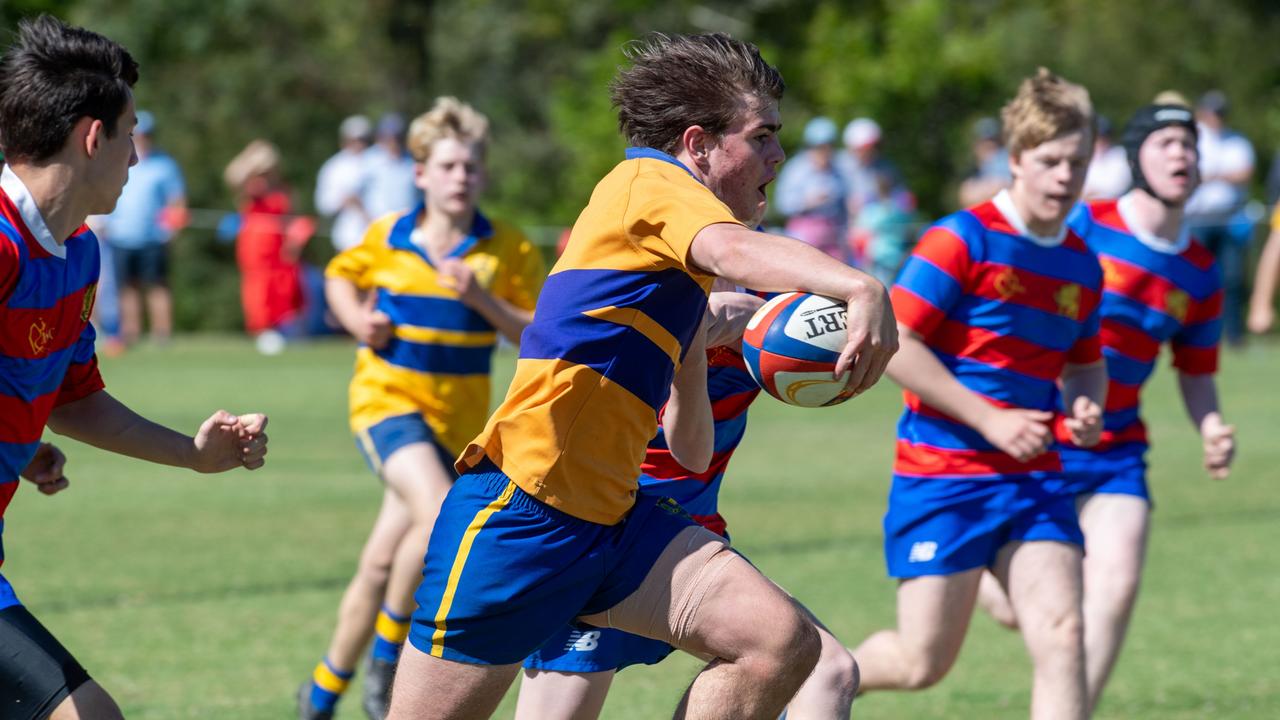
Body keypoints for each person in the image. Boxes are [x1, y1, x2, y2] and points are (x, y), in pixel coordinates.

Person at [385, 32, 897, 720]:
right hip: (519, 513)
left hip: (614, 520)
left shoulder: (678, 274)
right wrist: (862, 287)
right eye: (763, 136)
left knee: (781, 643)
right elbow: (732, 247)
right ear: (698, 144)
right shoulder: (647, 182)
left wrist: (691, 349)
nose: (778, 156)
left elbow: (689, 451)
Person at [0, 16, 268, 719]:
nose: (137, 160)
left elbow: (72, 395)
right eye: (128, 137)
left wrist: (193, 454)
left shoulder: (77, 255)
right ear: (93, 139)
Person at [852, 69, 1107, 720]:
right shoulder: (961, 239)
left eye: (1077, 162)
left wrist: (1085, 401)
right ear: (1016, 159)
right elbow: (893, 343)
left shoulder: (1081, 262)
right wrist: (990, 419)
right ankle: (821, 678)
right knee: (920, 664)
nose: (1064, 177)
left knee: (1064, 636)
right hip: (943, 475)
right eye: (1049, 161)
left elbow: (1084, 363)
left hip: (1034, 476)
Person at [976, 103, 1235, 715]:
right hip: (1033, 444)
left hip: (1116, 453)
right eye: (1166, 142)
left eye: (1191, 144)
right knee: (1021, 611)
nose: (1182, 155)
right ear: (1134, 156)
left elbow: (1196, 373)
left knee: (1111, 595)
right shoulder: (1084, 225)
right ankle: (992, 573)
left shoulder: (1201, 272)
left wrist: (1212, 424)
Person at [298, 97, 546, 720]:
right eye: (449, 165)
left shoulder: (506, 248)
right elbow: (337, 274)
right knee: (439, 515)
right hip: (387, 404)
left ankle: (321, 695)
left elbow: (537, 333)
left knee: (383, 562)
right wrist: (361, 320)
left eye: (472, 166)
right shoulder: (389, 236)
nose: (462, 176)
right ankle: (388, 658)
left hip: (460, 428)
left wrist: (483, 297)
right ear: (421, 174)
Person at [513, 287, 860, 720]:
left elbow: (837, 328)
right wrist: (689, 342)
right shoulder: (633, 283)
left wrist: (852, 307)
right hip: (607, 532)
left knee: (829, 671)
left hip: (695, 532)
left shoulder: (769, 285)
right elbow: (684, 448)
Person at [98, 109, 187, 347]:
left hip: (153, 237)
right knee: (127, 287)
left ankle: (162, 335)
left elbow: (177, 201)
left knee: (158, 286)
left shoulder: (165, 165)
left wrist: (171, 230)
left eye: (146, 134)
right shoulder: (118, 158)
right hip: (120, 235)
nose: (142, 138)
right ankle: (131, 333)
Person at [224, 139, 315, 354]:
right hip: (255, 251)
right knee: (259, 293)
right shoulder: (250, 187)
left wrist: (295, 240)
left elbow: (291, 218)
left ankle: (290, 332)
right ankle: (264, 332)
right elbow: (232, 177)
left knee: (286, 290)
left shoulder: (282, 189)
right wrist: (252, 159)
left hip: (280, 251)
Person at [1185, 90, 1254, 346]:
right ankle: (1192, 335)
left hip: (1229, 218)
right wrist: (1222, 175)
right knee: (1196, 279)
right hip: (1199, 219)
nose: (1217, 118)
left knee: (1232, 279)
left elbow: (1244, 172)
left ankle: (1233, 335)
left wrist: (1213, 176)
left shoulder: (1237, 141)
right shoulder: (1195, 140)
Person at [774, 117, 848, 260]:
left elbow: (844, 206)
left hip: (833, 236)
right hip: (804, 234)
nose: (826, 152)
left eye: (830, 146)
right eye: (821, 147)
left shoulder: (838, 170)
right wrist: (808, 202)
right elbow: (782, 204)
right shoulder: (797, 169)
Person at [315, 114, 374, 253]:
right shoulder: (334, 167)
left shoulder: (378, 162)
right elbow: (323, 204)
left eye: (363, 139)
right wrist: (344, 201)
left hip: (378, 238)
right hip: (347, 240)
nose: (359, 144)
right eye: (355, 140)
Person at [361, 113, 419, 221]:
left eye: (398, 137)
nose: (394, 141)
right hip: (376, 225)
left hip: (406, 225)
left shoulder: (412, 160)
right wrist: (367, 219)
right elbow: (351, 195)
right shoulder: (369, 159)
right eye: (389, 137)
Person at [957, 116, 1012, 207]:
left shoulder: (1005, 160)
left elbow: (1006, 187)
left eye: (993, 141)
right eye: (984, 142)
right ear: (976, 146)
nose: (989, 145)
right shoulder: (975, 170)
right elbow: (966, 197)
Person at [1082, 115, 1131, 200]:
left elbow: (1115, 187)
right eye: (1096, 139)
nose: (1099, 143)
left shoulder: (1120, 155)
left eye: (1103, 139)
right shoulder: (1082, 155)